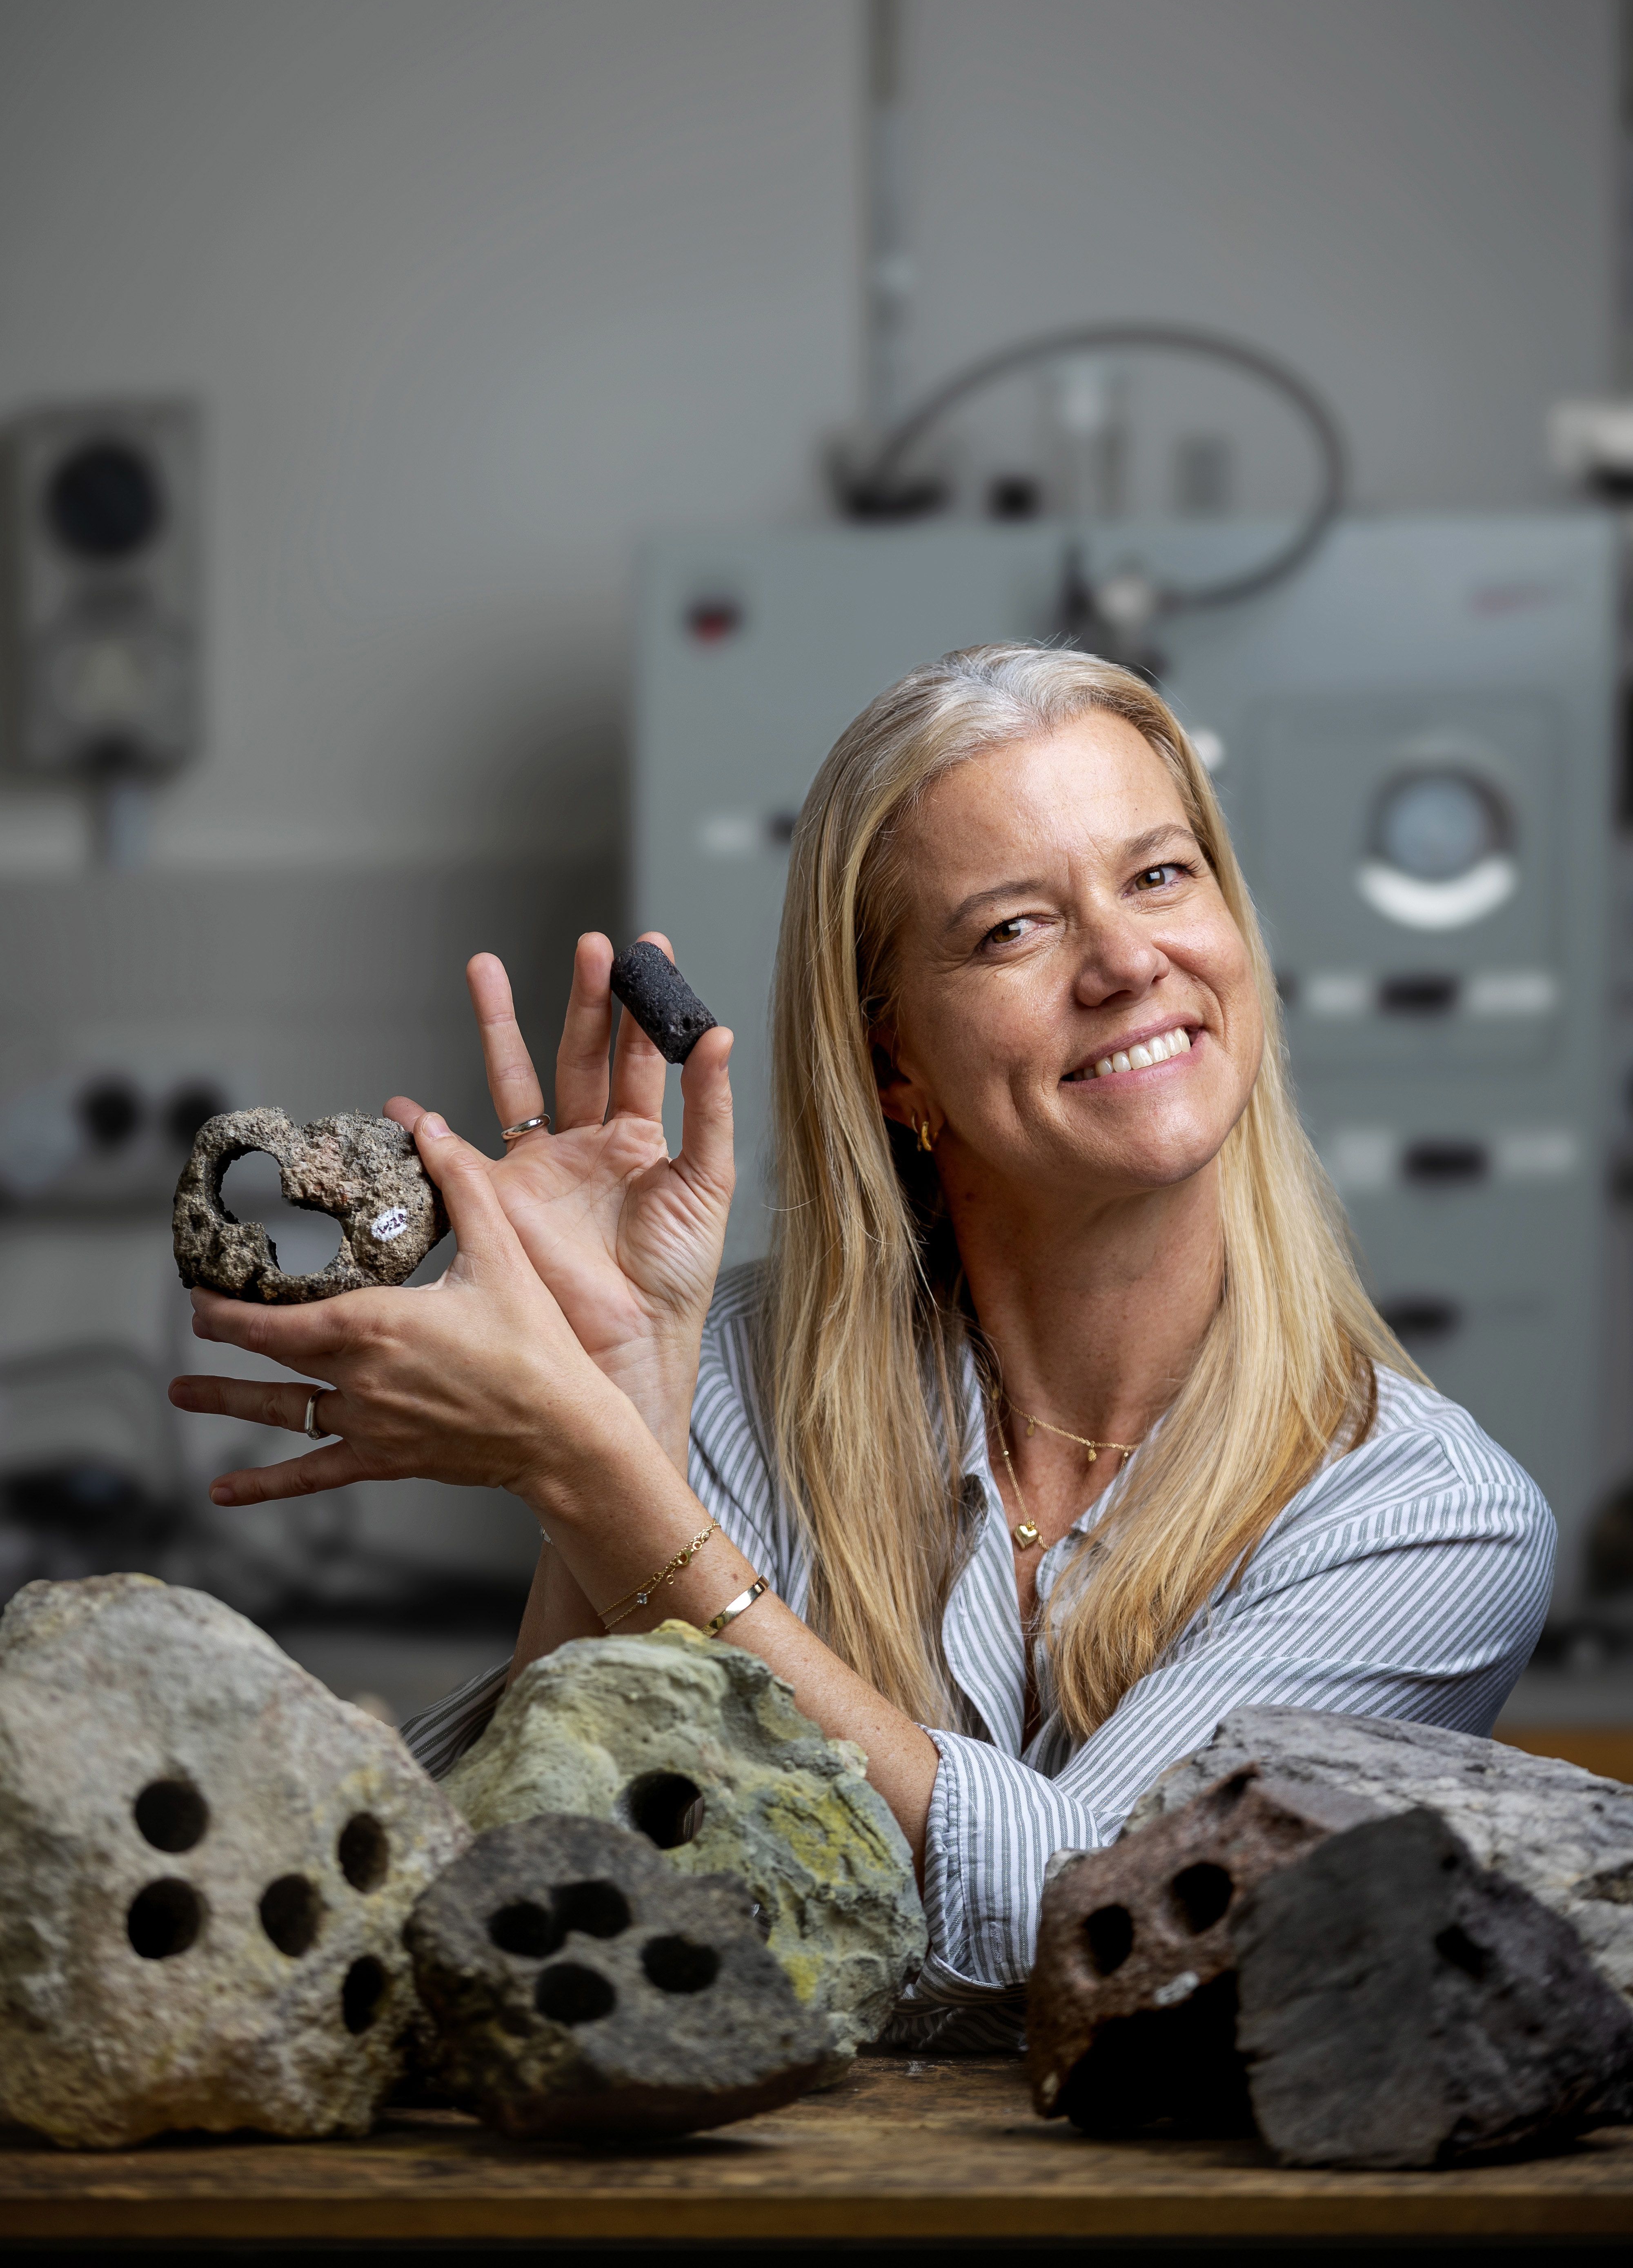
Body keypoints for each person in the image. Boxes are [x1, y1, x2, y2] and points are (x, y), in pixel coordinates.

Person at [172, 645, 1553, 2046]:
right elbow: (494, 1894)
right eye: (1014, 928)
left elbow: (1090, 1918)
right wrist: (615, 1410)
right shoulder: (722, 1386)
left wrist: (602, 1482)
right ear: (895, 1065)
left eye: (1158, 876)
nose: (1131, 962)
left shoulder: (1431, 1521)